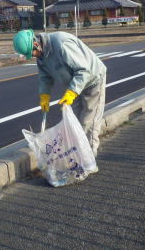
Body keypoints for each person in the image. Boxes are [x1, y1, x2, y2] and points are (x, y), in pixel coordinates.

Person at [13, 29, 106, 157]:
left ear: (36, 44)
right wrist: (44, 96)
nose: (34, 56)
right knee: (74, 123)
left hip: (93, 79)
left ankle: (89, 159)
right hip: (74, 84)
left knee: (88, 121)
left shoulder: (61, 43)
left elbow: (84, 70)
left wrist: (72, 92)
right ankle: (78, 155)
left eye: (32, 53)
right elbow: (45, 77)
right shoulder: (41, 54)